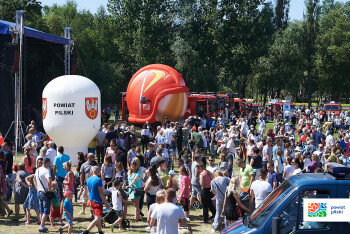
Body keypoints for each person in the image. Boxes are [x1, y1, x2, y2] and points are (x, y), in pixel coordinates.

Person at [81, 166, 110, 234]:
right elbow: (101, 193)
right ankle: (86, 232)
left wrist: (89, 201)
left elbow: (88, 192)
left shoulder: (88, 179)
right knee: (97, 218)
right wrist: (105, 203)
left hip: (92, 200)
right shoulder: (98, 180)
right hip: (97, 201)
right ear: (97, 172)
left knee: (98, 217)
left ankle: (100, 231)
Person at [34, 158, 52, 233]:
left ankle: (43, 225)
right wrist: (50, 190)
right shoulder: (46, 170)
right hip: (45, 192)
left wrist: (37, 187)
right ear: (47, 163)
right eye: (49, 163)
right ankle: (41, 227)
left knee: (41, 210)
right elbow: (49, 181)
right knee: (46, 211)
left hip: (39, 191)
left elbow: (34, 178)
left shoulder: (38, 169)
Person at [126, 157, 142, 222]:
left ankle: (136, 218)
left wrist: (129, 185)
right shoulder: (130, 172)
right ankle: (137, 215)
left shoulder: (138, 172)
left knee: (136, 204)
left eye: (133, 167)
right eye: (131, 166)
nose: (132, 168)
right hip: (131, 190)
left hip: (136, 190)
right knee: (134, 204)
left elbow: (134, 180)